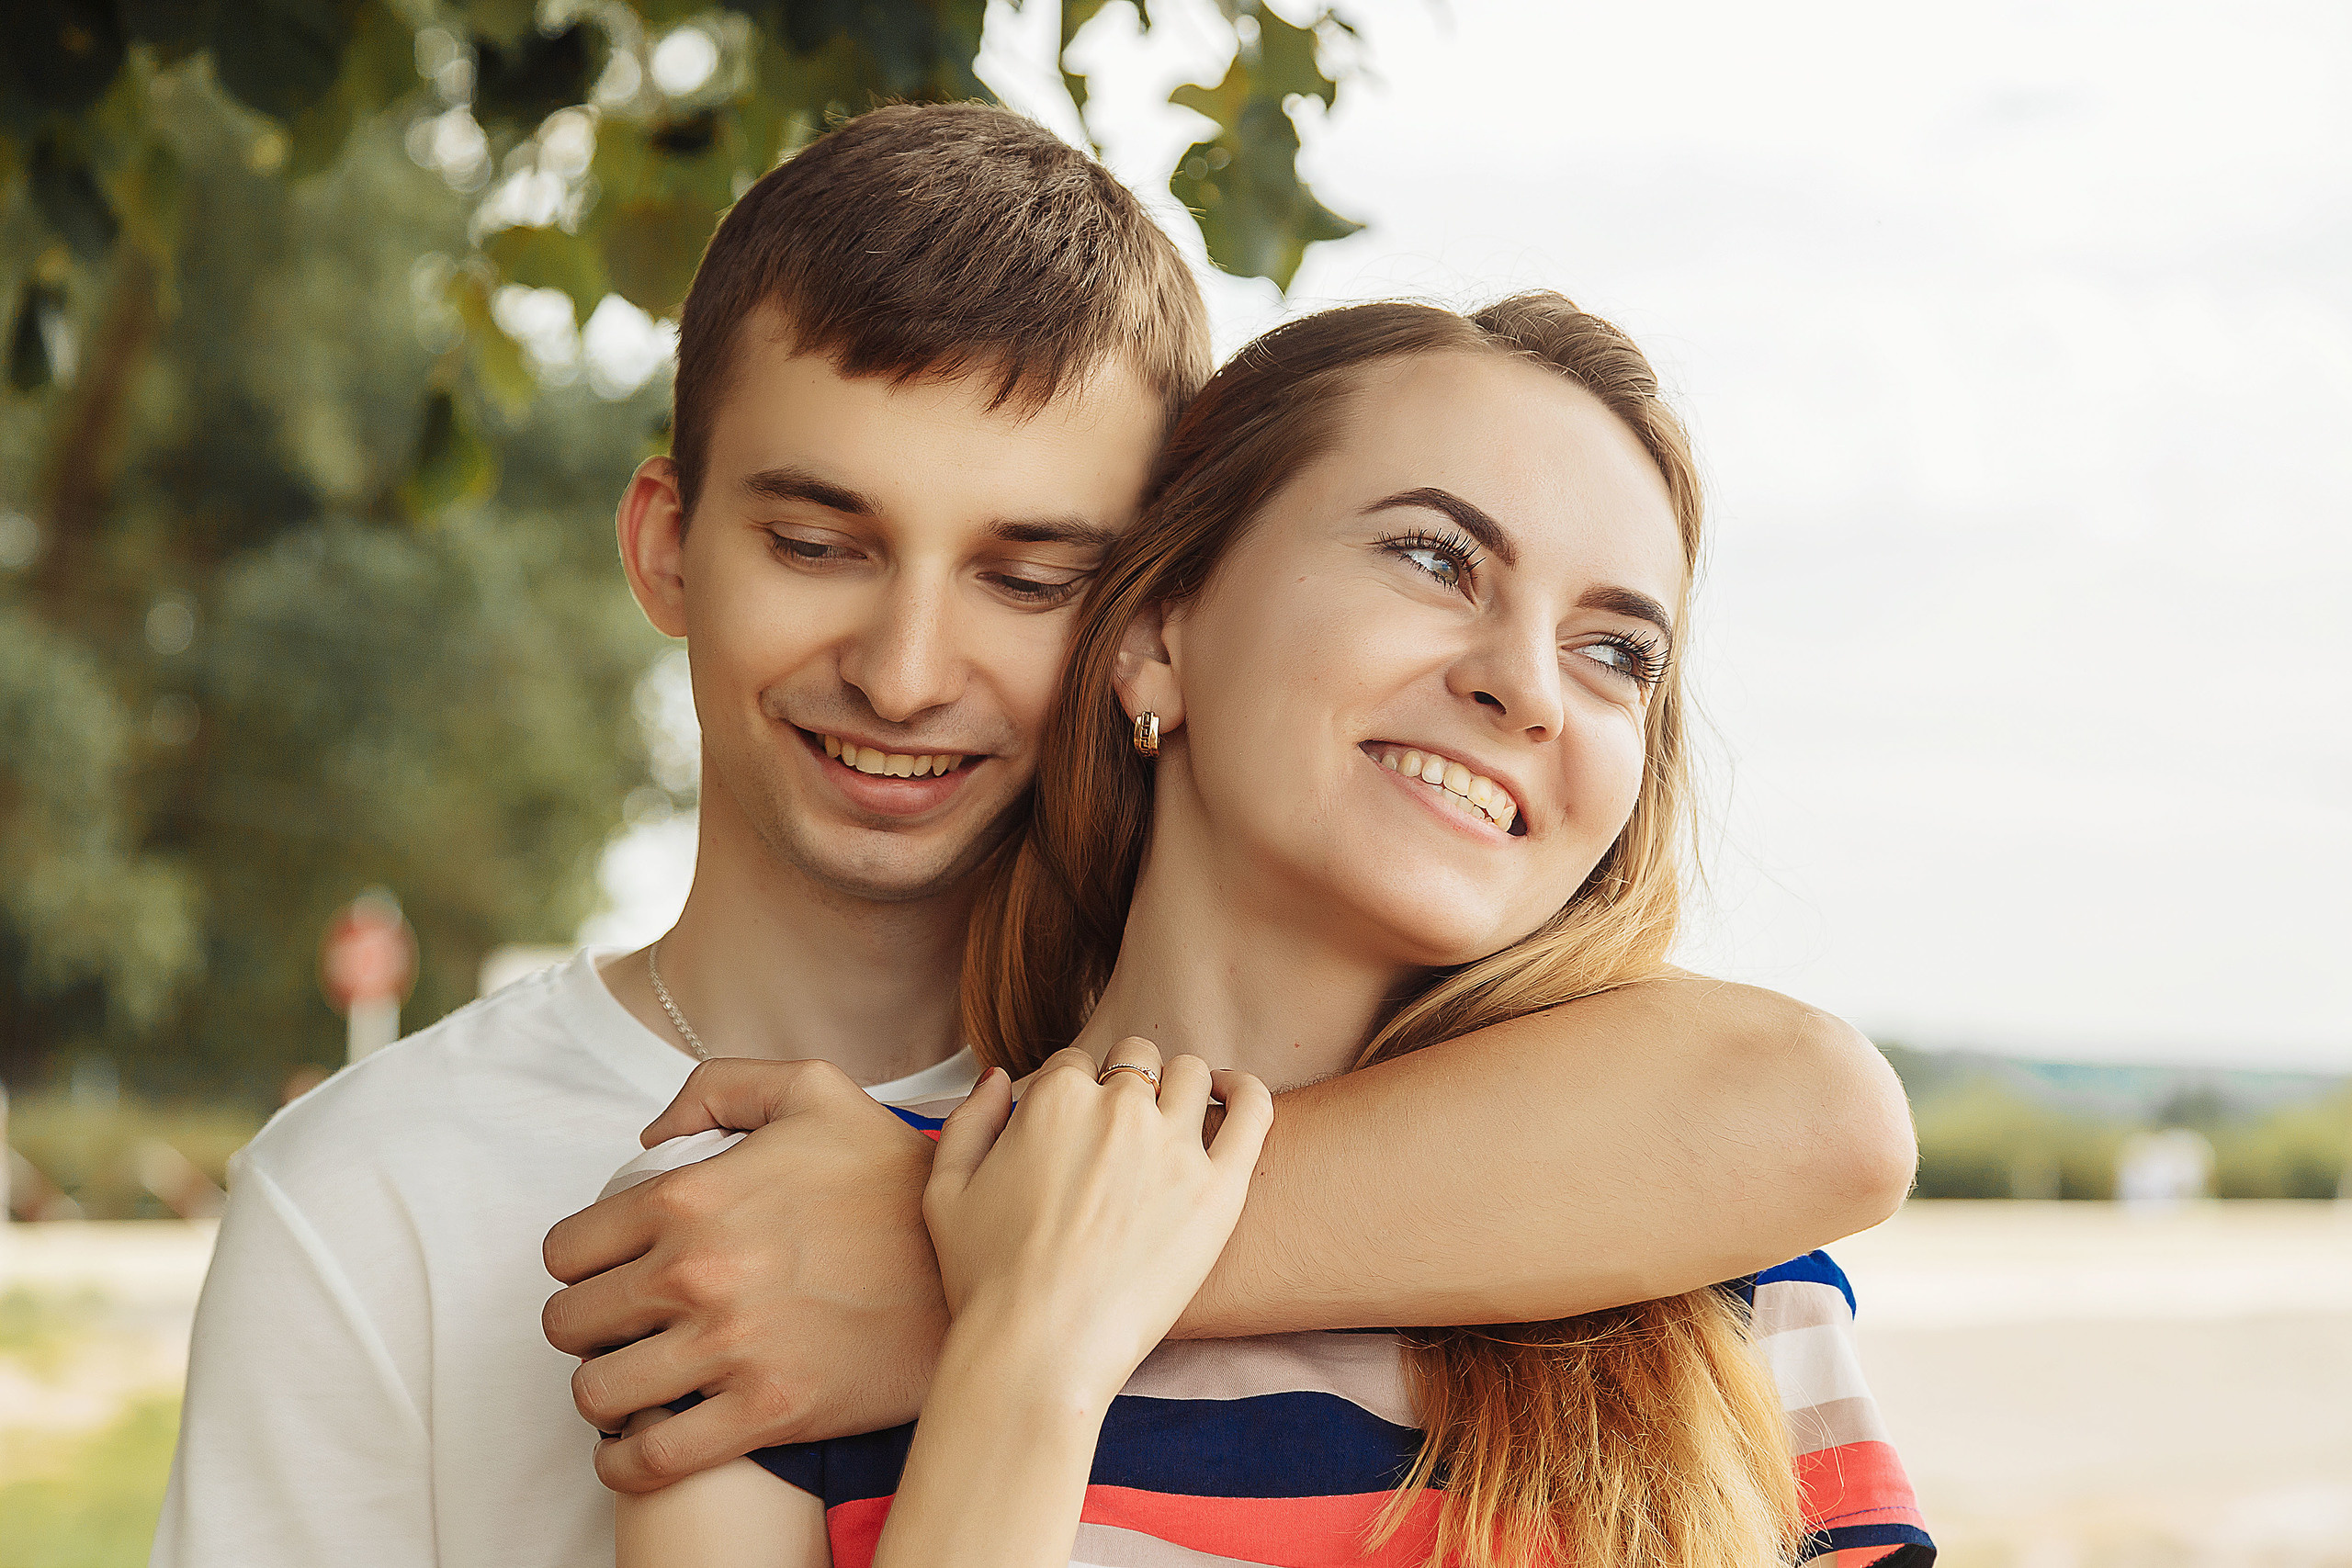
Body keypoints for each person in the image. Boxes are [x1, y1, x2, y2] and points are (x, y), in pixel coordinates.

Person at [154, 106, 1910, 1568]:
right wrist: (1026, 1322)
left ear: (1125, 603)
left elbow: (1817, 1110)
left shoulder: (1683, 1267)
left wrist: (980, 1253)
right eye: (820, 541)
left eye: (1027, 573)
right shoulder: (630, 1237)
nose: (911, 669)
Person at [610, 297, 1933, 1568]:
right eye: (1432, 558)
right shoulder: (775, 1255)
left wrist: (1083, 1249)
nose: (1526, 684)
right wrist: (1034, 1352)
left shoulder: (1727, 1299)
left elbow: (1835, 1111)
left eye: (1618, 652)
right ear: (1157, 633)